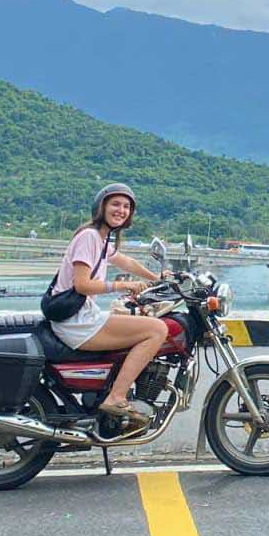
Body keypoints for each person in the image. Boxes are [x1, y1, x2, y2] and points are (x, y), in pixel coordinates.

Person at [48, 182, 166, 427]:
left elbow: (126, 262)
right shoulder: (89, 237)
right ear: (101, 207)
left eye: (126, 206)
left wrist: (159, 279)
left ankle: (116, 391)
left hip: (82, 317)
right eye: (115, 204)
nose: (121, 210)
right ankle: (117, 397)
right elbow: (82, 285)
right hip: (77, 322)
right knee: (157, 329)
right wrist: (124, 286)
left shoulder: (102, 240)